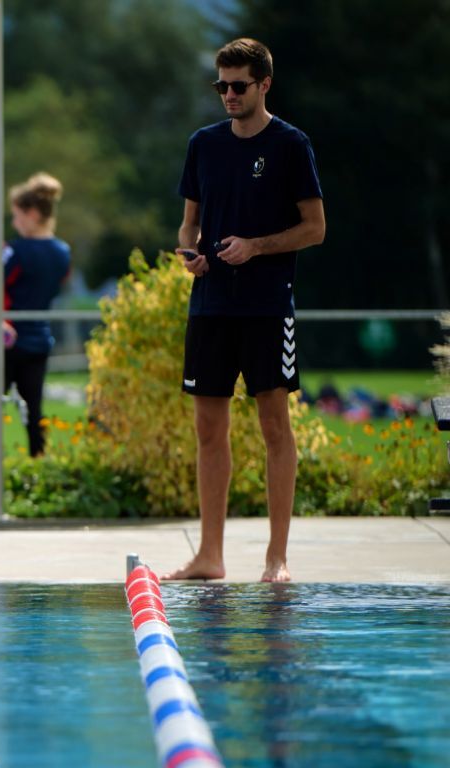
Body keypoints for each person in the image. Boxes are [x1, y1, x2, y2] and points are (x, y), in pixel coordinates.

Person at [166, 38, 325, 584]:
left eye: (238, 86)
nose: (228, 96)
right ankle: (210, 555)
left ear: (264, 86)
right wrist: (191, 251)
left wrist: (255, 246)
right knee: (209, 430)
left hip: (266, 307)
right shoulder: (203, 145)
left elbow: (316, 228)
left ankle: (276, 558)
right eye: (221, 86)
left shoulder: (290, 145)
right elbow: (189, 221)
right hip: (210, 306)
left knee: (274, 427)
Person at [3, 173, 71, 457]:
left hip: (8, 337)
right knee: (35, 408)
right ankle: (38, 461)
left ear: (31, 214)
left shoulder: (16, 250)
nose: (14, 223)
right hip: (40, 338)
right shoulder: (62, 252)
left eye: (16, 216)